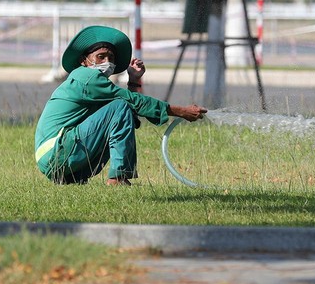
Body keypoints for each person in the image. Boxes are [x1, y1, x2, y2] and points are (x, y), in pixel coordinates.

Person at [34, 25, 207, 186]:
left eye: (111, 58)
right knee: (120, 106)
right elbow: (130, 102)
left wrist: (134, 81)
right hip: (55, 152)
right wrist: (181, 111)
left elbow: (126, 115)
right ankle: (119, 178)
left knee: (121, 107)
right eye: (101, 56)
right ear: (84, 61)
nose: (107, 61)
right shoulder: (87, 77)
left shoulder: (96, 86)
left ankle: (80, 178)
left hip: (53, 159)